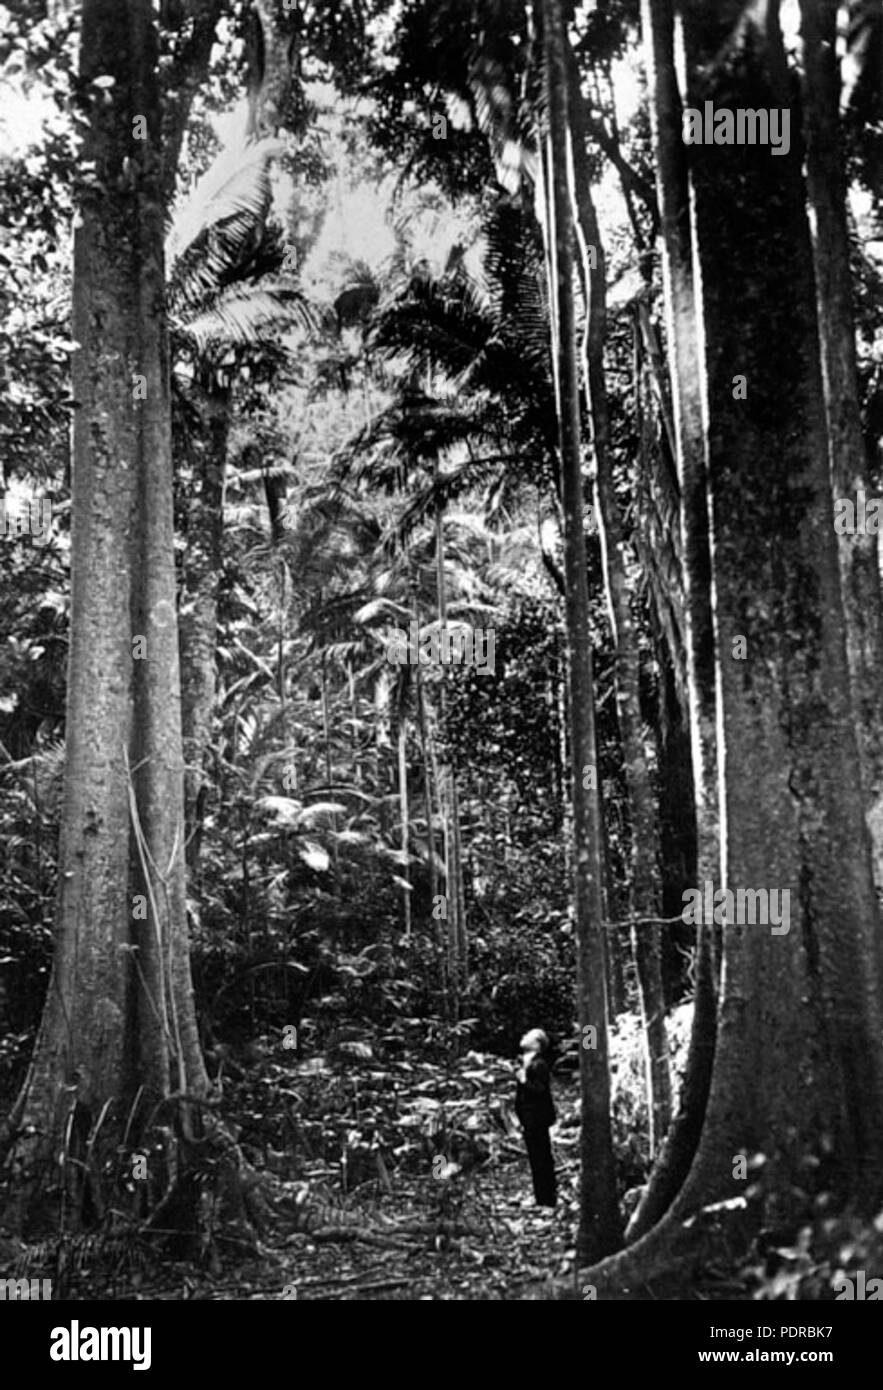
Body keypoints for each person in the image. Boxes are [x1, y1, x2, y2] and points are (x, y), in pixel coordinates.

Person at [514, 1027, 557, 1207]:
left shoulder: (539, 1064)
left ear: (538, 1044)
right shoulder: (526, 1062)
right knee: (535, 1159)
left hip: (538, 1119)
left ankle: (547, 1199)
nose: (523, 1036)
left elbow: (540, 1090)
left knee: (541, 1158)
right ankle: (541, 1197)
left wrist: (524, 1080)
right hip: (529, 1119)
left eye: (528, 1036)